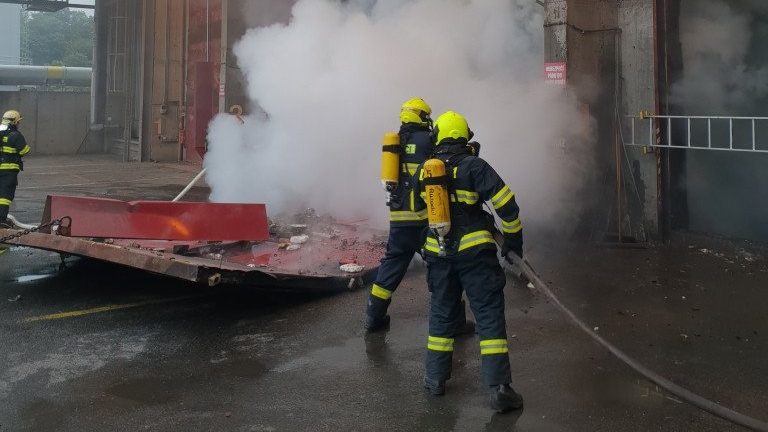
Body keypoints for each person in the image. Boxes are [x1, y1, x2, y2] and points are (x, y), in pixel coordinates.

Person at [412, 110, 524, 412]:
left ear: (437, 137)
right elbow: (506, 205)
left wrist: (431, 240)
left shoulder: (425, 171)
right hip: (476, 256)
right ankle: (499, 389)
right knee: (487, 314)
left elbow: (417, 211)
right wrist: (513, 241)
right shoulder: (475, 166)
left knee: (442, 313)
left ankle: (435, 379)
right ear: (465, 137)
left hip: (439, 254)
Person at [0, 110, 30, 227]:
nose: (19, 124)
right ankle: (1, 220)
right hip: (8, 171)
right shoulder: (15, 135)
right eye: (18, 122)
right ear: (14, 122)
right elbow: (24, 150)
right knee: (5, 196)